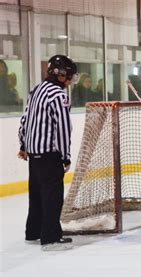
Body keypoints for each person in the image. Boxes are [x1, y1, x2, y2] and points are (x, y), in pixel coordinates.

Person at [18, 54, 78, 251]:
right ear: (61, 75)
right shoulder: (59, 96)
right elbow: (62, 128)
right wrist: (65, 155)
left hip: (34, 155)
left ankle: (33, 232)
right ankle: (51, 238)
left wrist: (23, 146)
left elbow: (25, 120)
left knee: (36, 194)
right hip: (49, 154)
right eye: (69, 76)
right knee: (52, 196)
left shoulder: (36, 90)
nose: (70, 81)